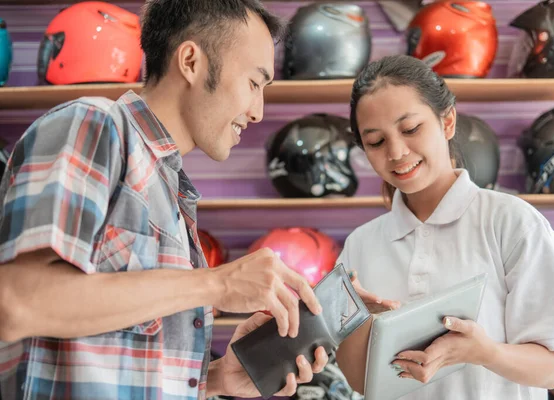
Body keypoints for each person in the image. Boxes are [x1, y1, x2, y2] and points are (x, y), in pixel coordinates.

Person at [0, 1, 330, 399]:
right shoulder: (95, 124)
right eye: (254, 83)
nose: (258, 111)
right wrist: (214, 284)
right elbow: (18, 303)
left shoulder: (171, 189)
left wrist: (216, 378)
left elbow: (115, 361)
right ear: (191, 61)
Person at [335, 54, 554, 400]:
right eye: (376, 142)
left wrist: (482, 352)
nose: (396, 152)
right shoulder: (361, 244)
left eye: (410, 129)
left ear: (447, 121)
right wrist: (361, 325)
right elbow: (359, 381)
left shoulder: (511, 222)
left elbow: (552, 370)